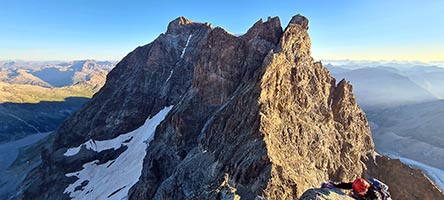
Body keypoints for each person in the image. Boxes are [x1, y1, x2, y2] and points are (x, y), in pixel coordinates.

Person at [322, 178, 390, 200]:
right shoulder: (361, 185)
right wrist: (334, 185)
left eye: (359, 191)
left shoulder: (374, 195)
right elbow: (348, 185)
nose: (357, 192)